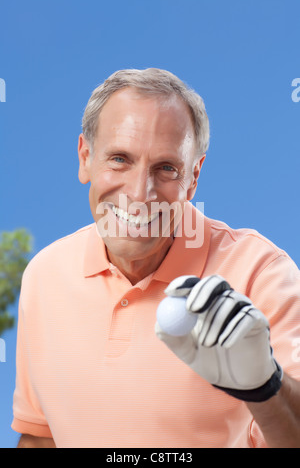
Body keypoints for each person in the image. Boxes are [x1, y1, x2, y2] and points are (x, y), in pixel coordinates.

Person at [12, 68, 300, 448]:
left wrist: (265, 384)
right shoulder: (44, 276)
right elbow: (39, 435)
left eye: (166, 168)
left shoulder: (259, 272)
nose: (139, 193)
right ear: (85, 157)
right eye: (119, 159)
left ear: (193, 177)